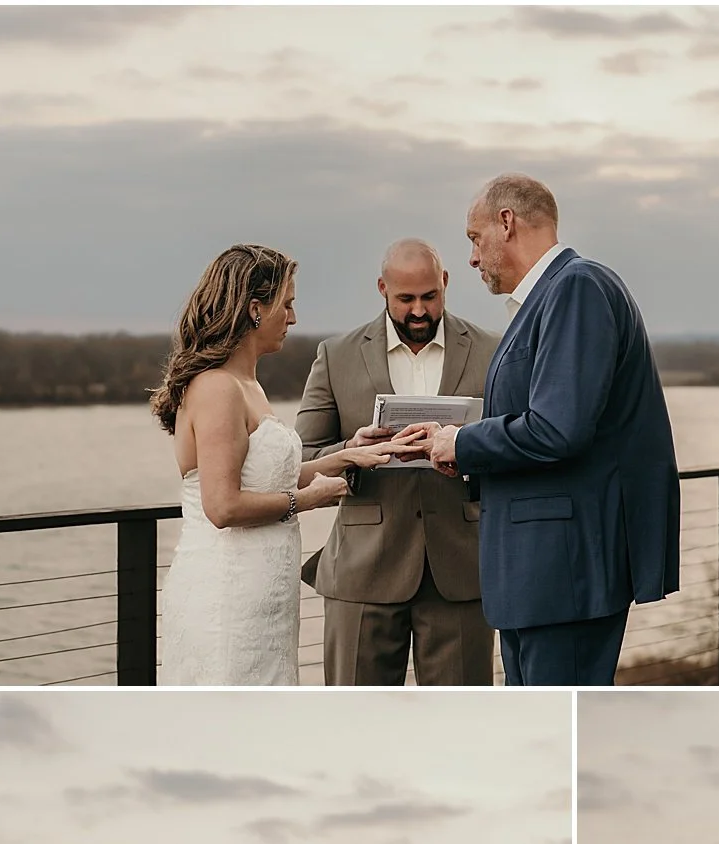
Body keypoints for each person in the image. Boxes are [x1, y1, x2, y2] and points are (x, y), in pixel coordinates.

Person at [427, 173, 680, 686]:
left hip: (563, 572)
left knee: (563, 723)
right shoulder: (553, 295)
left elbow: (559, 428)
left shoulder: (577, 288)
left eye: (475, 239)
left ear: (507, 223)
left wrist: (463, 441)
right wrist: (465, 456)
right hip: (539, 577)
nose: (472, 258)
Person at [152, 245, 411, 684]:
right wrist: (308, 499)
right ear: (256, 309)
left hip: (264, 597)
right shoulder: (217, 388)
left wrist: (347, 453)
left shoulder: (248, 383)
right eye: (287, 304)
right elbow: (223, 507)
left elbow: (268, 474)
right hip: (226, 596)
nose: (293, 317)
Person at [296, 240, 500, 685]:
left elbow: (513, 445)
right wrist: (352, 449)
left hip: (461, 569)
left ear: (445, 282)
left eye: (430, 296)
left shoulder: (493, 350)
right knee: (357, 718)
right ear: (382, 288)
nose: (419, 311)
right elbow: (302, 460)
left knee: (462, 718)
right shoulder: (336, 355)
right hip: (361, 572)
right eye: (406, 299)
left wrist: (466, 450)